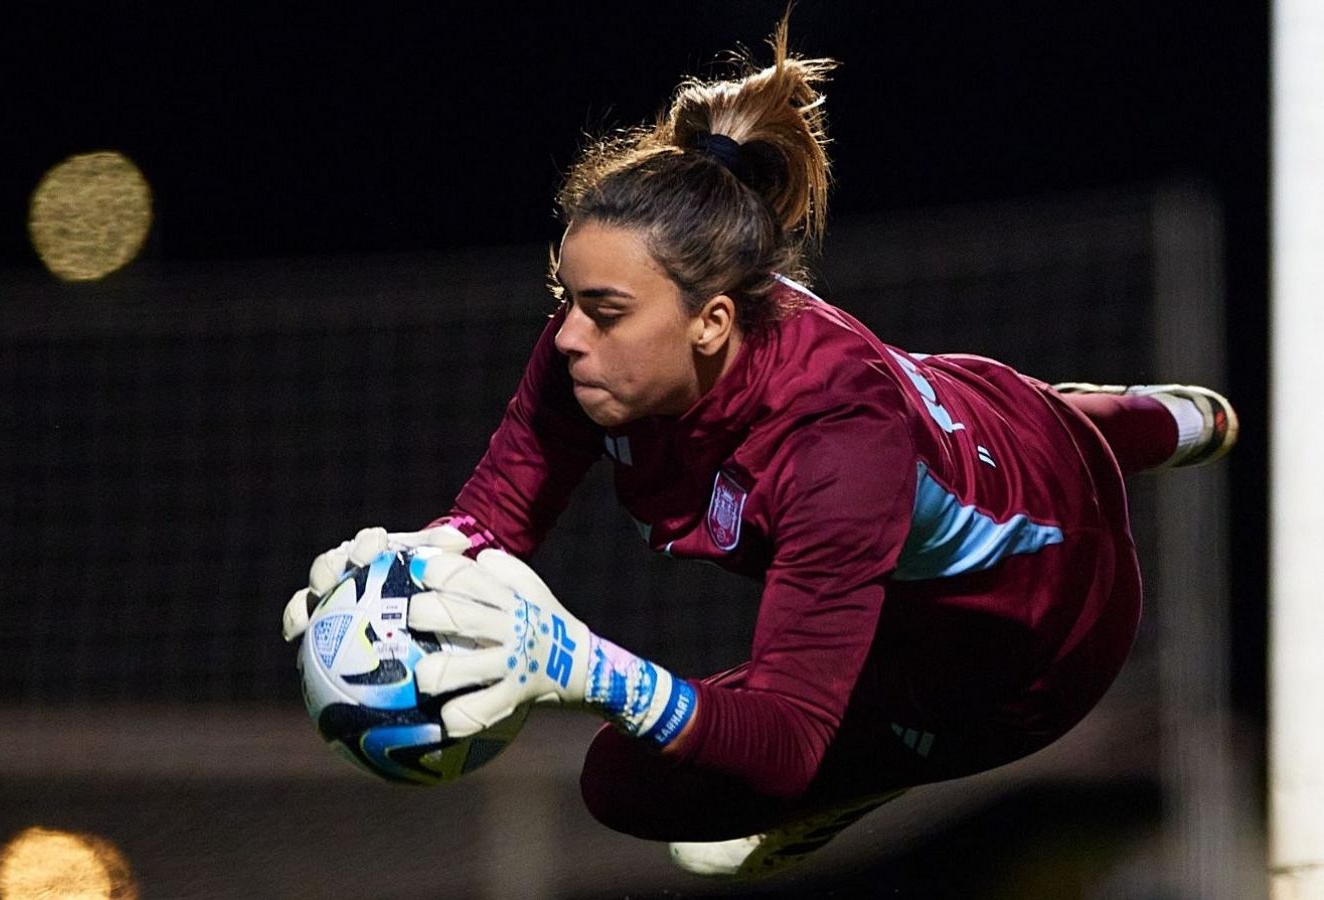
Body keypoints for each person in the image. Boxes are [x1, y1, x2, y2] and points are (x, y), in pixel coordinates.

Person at [281, 19, 1238, 880]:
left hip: (1032, 649)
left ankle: (863, 775)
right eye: (564, 297)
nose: (568, 333)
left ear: (713, 322)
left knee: (626, 785)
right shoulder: (617, 335)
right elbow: (495, 512)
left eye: (602, 311)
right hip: (987, 419)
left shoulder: (834, 451)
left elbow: (780, 738)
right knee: (1037, 431)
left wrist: (585, 666)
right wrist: (414, 563)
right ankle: (1145, 422)